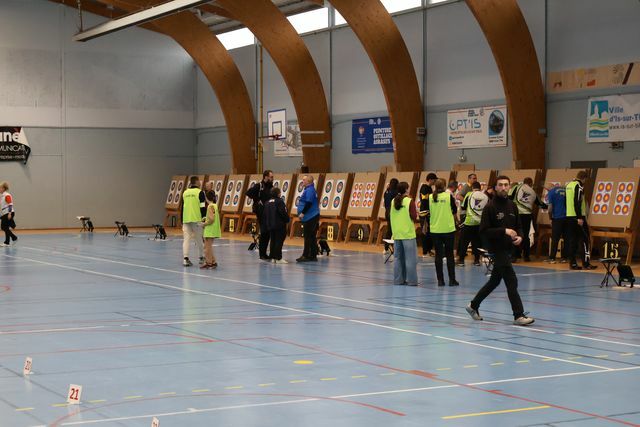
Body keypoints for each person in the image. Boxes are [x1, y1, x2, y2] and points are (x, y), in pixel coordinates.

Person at [466, 175, 534, 326]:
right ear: (495, 187)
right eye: (500, 185)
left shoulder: (512, 205)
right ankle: (518, 315)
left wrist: (520, 237)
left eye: (506, 185)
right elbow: (484, 231)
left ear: (509, 186)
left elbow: (519, 226)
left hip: (508, 249)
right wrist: (504, 231)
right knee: (511, 280)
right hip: (496, 249)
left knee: (494, 281)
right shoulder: (490, 207)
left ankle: (473, 305)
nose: (503, 188)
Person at [427, 178, 459, 286]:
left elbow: (428, 212)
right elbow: (454, 210)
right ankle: (452, 280)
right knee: (449, 255)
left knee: (438, 255)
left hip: (435, 230)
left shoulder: (430, 197)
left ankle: (440, 280)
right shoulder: (448, 196)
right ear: (445, 186)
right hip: (448, 229)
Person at [508, 177, 547, 262]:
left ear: (523, 182)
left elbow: (509, 197)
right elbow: (541, 204)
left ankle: (515, 256)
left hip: (516, 215)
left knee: (514, 234)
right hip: (527, 216)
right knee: (525, 235)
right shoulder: (533, 192)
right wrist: (549, 206)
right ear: (531, 184)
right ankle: (526, 256)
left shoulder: (516, 187)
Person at [565, 170, 596, 270]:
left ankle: (572, 263)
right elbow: (577, 201)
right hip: (578, 216)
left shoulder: (569, 185)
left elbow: (566, 201)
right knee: (585, 240)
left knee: (572, 241)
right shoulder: (579, 186)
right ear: (584, 178)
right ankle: (586, 264)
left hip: (569, 216)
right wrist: (579, 217)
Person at [390, 182, 419, 286]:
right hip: (408, 234)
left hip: (397, 233)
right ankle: (412, 281)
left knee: (398, 258)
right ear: (406, 189)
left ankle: (398, 280)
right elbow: (414, 216)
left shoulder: (393, 201)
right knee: (410, 259)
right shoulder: (409, 201)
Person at [457, 181, 489, 267]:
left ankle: (461, 261)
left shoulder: (469, 194)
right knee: (477, 242)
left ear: (472, 188)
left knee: (464, 242)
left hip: (469, 222)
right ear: (480, 188)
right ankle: (476, 260)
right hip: (479, 223)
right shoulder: (485, 196)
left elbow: (463, 206)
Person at [246, 170, 274, 260]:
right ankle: (262, 254)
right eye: (271, 177)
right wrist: (257, 200)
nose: (272, 178)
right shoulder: (259, 186)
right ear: (266, 177)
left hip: (269, 212)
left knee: (268, 233)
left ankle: (264, 253)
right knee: (264, 232)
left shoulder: (271, 187)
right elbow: (248, 193)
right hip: (261, 212)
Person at [180, 176, 206, 266]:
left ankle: (185, 259)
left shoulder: (185, 192)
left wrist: (181, 220)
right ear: (196, 182)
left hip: (186, 219)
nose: (200, 182)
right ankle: (201, 257)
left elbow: (182, 208)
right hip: (197, 219)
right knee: (199, 239)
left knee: (186, 239)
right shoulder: (200, 192)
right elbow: (203, 207)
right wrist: (204, 219)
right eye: (199, 181)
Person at [296, 175, 319, 262]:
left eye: (304, 180)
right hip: (311, 216)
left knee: (308, 236)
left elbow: (309, 203)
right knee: (311, 236)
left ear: (308, 181)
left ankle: (305, 255)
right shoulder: (309, 189)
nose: (302, 182)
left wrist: (302, 213)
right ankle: (313, 255)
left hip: (310, 216)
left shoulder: (310, 190)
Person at [265, 187, 290, 264]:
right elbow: (283, 212)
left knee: (273, 241)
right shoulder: (279, 202)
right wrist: (287, 220)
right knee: (279, 241)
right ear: (278, 194)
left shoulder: (267, 202)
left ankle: (273, 257)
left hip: (270, 225)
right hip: (279, 225)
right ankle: (278, 258)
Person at [545, 184, 568, 263]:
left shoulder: (551, 192)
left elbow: (550, 208)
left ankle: (552, 258)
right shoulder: (565, 190)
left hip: (557, 218)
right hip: (567, 217)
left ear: (548, 189)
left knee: (555, 238)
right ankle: (565, 258)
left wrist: (550, 218)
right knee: (566, 238)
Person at [418, 173, 437, 257]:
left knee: (429, 232)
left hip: (428, 212)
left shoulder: (429, 188)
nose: (435, 182)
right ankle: (425, 252)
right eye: (434, 180)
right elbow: (425, 200)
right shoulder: (424, 188)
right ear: (430, 180)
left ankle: (429, 250)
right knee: (425, 232)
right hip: (425, 213)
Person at [201, 190, 221, 269]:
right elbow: (212, 217)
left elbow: (211, 219)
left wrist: (204, 224)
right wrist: (206, 218)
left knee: (207, 248)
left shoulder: (210, 206)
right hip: (213, 229)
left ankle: (209, 263)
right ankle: (213, 261)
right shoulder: (214, 205)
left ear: (206, 198)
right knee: (209, 247)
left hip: (209, 230)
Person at [383, 178, 399, 258]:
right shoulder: (395, 192)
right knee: (395, 230)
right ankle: (394, 248)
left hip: (387, 212)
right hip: (393, 213)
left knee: (389, 230)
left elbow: (385, 203)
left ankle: (386, 248)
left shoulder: (386, 191)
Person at [0, 181, 17, 247]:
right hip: (5, 213)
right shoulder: (2, 196)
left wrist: (9, 213)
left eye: (0, 188)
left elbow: (10, 204)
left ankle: (14, 237)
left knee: (3, 227)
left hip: (8, 213)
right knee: (5, 227)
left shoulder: (7, 195)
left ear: (4, 188)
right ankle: (7, 242)